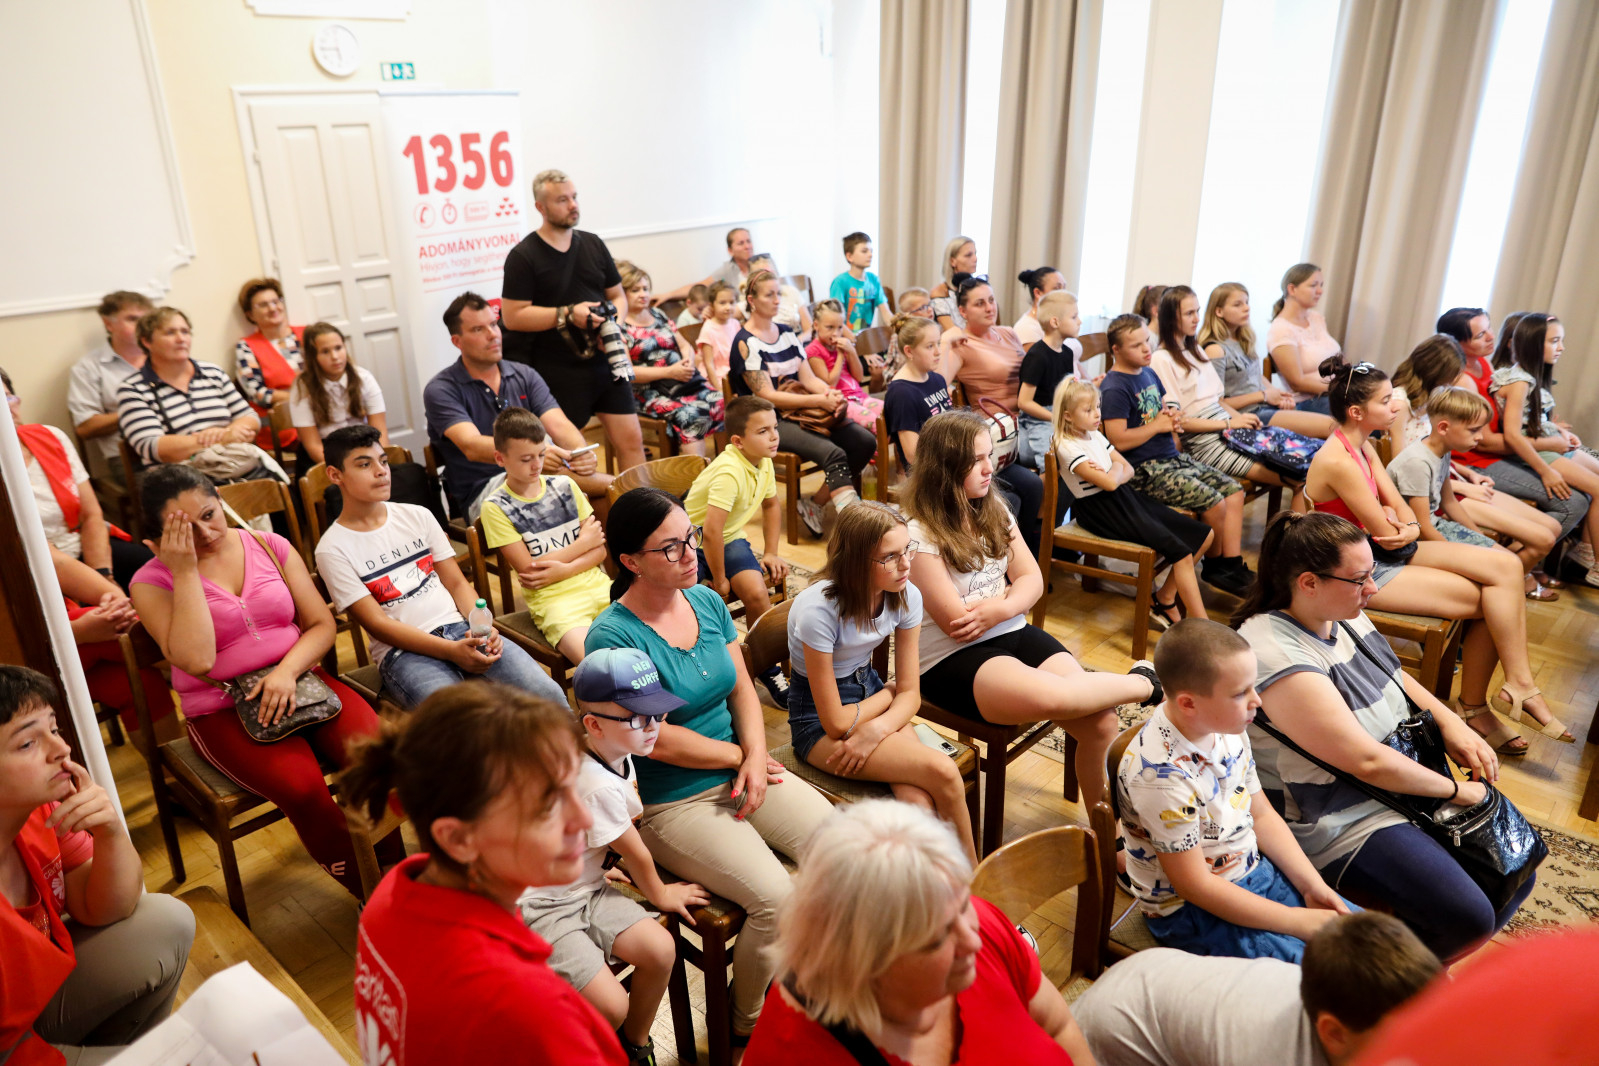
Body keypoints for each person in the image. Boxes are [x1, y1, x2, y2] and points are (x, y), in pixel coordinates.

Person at [586, 488, 834, 1050]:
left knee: (840, 846)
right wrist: (740, 758)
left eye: (690, 537)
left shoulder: (704, 601)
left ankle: (798, 974)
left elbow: (741, 687)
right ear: (631, 562)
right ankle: (743, 1022)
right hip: (673, 800)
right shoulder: (614, 635)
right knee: (776, 899)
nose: (690, 553)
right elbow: (652, 739)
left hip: (740, 766)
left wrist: (754, 755)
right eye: (670, 548)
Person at [1233, 511, 1534, 960]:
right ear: (1309, 582)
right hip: (1341, 813)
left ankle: (1407, 971)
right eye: (1360, 579)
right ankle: (1378, 980)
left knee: (1515, 869)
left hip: (1397, 781)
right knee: (1470, 917)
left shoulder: (1339, 611)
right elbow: (1365, 761)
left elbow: (1395, 675)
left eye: (1372, 573)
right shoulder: (1273, 651)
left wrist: (1451, 722)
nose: (1373, 588)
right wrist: (1457, 791)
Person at [129, 464, 396, 899]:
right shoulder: (151, 582)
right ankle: (372, 894)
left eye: (209, 515)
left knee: (379, 757)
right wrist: (185, 572)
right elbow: (197, 659)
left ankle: (399, 874)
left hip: (303, 681)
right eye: (186, 529)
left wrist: (286, 672)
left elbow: (321, 625)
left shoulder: (269, 545)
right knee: (303, 790)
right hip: (222, 709)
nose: (206, 533)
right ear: (158, 541)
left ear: (221, 502)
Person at [340, 682, 628, 1065]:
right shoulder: (531, 1007)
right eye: (547, 806)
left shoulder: (392, 894)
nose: (584, 819)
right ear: (458, 839)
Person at [1302, 357, 1574, 745]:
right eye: (1386, 401)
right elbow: (1387, 531)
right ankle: (1478, 707)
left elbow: (1400, 514)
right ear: (1357, 412)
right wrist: (1399, 523)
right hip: (1354, 570)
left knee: (1508, 569)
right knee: (1490, 599)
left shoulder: (1364, 447)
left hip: (1378, 550)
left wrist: (1404, 523)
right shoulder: (1338, 459)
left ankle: (1518, 684)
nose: (1396, 405)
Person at [906, 410, 1162, 809]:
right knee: (1060, 695)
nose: (990, 468)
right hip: (951, 658)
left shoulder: (992, 507)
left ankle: (1104, 830)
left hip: (1008, 629)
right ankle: (1145, 684)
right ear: (944, 469)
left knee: (1102, 722)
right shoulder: (918, 532)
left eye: (990, 455)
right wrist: (1010, 599)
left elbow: (1033, 580)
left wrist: (1000, 606)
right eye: (976, 460)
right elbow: (958, 623)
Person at [743, 799, 1095, 1066]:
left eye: (964, 903)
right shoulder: (793, 1051)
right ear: (866, 961)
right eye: (937, 939)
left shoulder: (975, 923)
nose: (973, 940)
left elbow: (1059, 1026)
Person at [1117, 619, 1351, 962]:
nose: (1257, 700)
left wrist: (1311, 885)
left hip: (1253, 871)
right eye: (1241, 693)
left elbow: (1261, 814)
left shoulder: (1227, 726)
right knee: (1329, 974)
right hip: (1191, 915)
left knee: (1365, 940)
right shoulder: (1162, 778)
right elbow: (1195, 886)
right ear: (1188, 703)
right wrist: (1297, 921)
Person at [520, 649, 709, 1066]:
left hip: (586, 886)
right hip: (542, 907)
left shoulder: (613, 751)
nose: (654, 727)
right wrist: (660, 894)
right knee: (612, 1006)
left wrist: (602, 862)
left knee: (660, 950)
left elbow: (603, 835)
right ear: (594, 724)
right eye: (639, 718)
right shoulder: (596, 781)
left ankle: (635, 1045)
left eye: (657, 714)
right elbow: (636, 852)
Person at [0, 666, 195, 1066]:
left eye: (54, 729)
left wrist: (110, 832)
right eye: (27, 743)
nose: (61, 749)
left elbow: (105, 907)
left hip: (30, 1004)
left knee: (166, 920)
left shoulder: (40, 813)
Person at [313, 424, 567, 708]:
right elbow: (378, 624)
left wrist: (483, 628)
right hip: (404, 653)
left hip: (462, 628)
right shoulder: (332, 549)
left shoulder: (418, 516)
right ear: (335, 475)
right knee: (462, 718)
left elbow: (457, 584)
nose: (381, 471)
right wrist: (450, 650)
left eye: (383, 461)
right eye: (364, 464)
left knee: (548, 696)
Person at [788, 502, 976, 860]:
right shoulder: (818, 612)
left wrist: (877, 728)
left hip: (870, 698)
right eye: (890, 556)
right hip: (815, 721)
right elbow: (836, 721)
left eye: (907, 549)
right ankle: (973, 884)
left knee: (919, 803)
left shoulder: (906, 594)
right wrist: (890, 694)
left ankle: (941, 886)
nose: (906, 564)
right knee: (943, 771)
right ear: (856, 561)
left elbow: (911, 696)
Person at [1072, 912, 1441, 1066]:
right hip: (1103, 1042)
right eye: (1404, 1040)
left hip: (1152, 984)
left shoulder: (1337, 998)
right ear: (1334, 1033)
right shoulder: (1268, 1055)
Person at [497, 168, 646, 473]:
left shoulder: (593, 244)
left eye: (574, 197)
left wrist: (612, 327)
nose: (573, 205)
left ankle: (643, 504)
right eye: (562, 200)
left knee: (632, 441)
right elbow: (512, 317)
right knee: (572, 456)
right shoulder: (523, 256)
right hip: (556, 368)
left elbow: (618, 296)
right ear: (541, 207)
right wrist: (567, 313)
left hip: (604, 361)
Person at [1099, 313, 1252, 597]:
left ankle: (1230, 563)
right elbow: (1117, 440)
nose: (1147, 348)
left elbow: (1159, 411)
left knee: (1234, 491)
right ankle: (1215, 567)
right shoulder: (1115, 387)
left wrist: (1171, 416)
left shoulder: (1148, 373)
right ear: (1116, 350)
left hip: (1170, 458)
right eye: (1136, 345)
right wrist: (1157, 425)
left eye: (1147, 340)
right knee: (1215, 502)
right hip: (1144, 470)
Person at [423, 290, 609, 515]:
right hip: (484, 493)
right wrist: (535, 454)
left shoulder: (524, 374)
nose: (493, 335)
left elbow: (560, 425)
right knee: (546, 471)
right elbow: (471, 446)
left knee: (602, 500)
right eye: (478, 329)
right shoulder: (441, 389)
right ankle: (625, 487)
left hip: (539, 475)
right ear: (457, 341)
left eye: (494, 324)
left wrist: (580, 454)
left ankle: (621, 493)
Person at [1052, 379, 1211, 627]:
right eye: (1089, 410)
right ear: (1068, 416)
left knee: (1205, 535)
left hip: (1125, 498)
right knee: (1181, 552)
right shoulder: (1066, 446)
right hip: (1101, 510)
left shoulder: (1094, 435)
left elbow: (1127, 469)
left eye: (1098, 407)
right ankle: (1204, 627)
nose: (1097, 414)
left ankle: (1164, 598)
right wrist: (1114, 471)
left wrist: (1112, 471)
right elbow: (1109, 484)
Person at [1388, 386, 1555, 619]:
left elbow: (1450, 503)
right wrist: (1464, 553)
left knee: (1511, 562)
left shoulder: (1441, 450)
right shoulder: (1417, 462)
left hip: (1435, 527)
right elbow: (1422, 526)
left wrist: (1479, 537)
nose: (1480, 437)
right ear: (1443, 427)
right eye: (1474, 430)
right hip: (1417, 538)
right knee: (1501, 569)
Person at [1441, 306, 1591, 558]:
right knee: (1573, 503)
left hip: (1502, 455)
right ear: (1457, 343)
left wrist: (1552, 429)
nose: (1492, 336)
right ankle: (1514, 561)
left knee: (1582, 492)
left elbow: (1511, 420)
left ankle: (1527, 559)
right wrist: (1547, 444)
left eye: (1489, 328)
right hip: (1475, 462)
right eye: (1480, 335)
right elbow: (1484, 442)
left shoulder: (1485, 365)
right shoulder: (1463, 380)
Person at [734, 269, 872, 537]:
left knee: (863, 441)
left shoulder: (787, 333)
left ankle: (813, 504)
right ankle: (857, 532)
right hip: (768, 420)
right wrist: (818, 399)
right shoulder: (745, 342)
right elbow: (767, 396)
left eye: (778, 294)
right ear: (751, 300)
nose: (777, 300)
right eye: (769, 295)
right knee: (834, 453)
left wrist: (828, 394)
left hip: (802, 411)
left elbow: (808, 378)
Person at [1150, 286, 1310, 510]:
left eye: (1197, 311)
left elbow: (1218, 401)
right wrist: (1229, 423)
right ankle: (1292, 533)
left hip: (1227, 429)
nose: (1197, 318)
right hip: (1205, 442)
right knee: (1298, 477)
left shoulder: (1195, 349)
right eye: (1189, 313)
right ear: (1170, 318)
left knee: (1305, 465)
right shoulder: (1161, 359)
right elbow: (1179, 422)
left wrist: (1243, 421)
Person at [478, 409, 613, 664]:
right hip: (555, 603)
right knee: (597, 666)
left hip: (600, 586)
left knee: (651, 646)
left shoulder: (566, 485)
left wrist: (563, 568)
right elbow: (531, 571)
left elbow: (600, 552)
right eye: (525, 459)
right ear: (500, 458)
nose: (536, 465)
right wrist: (583, 543)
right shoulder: (495, 507)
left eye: (541, 454)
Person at [683, 397, 790, 702]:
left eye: (775, 428)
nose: (773, 437)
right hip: (691, 542)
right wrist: (719, 579)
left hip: (728, 539)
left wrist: (771, 552)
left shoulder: (763, 461)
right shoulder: (729, 471)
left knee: (757, 594)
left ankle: (766, 668)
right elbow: (710, 531)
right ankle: (706, 671)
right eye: (763, 431)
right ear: (738, 441)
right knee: (691, 602)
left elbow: (771, 505)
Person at [4, 369, 150, 590]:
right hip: (32, 565)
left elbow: (91, 514)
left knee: (156, 573)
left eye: (8, 398)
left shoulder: (51, 437)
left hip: (81, 545)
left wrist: (102, 573)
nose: (6, 408)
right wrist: (103, 590)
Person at [936, 273, 1048, 555]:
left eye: (991, 300)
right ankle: (1016, 557)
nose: (989, 307)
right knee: (1047, 475)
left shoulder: (1008, 333)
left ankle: (1037, 552)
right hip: (997, 437)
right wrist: (945, 343)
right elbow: (937, 386)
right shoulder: (963, 344)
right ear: (962, 311)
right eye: (979, 303)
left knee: (1052, 473)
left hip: (1025, 424)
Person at [1491, 312, 1599, 588]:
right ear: (1533, 344)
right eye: (1554, 341)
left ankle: (1586, 552)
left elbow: (1535, 420)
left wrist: (1560, 432)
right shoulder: (1518, 382)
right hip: (1539, 454)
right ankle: (1595, 564)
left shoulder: (1529, 377)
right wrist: (1545, 471)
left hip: (1548, 445)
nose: (1561, 348)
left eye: (1561, 340)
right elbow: (1513, 435)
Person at [51, 545, 179, 743]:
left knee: (137, 680)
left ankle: (169, 764)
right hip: (25, 655)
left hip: (70, 644)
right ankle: (216, 671)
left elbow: (58, 562)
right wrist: (78, 632)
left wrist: (116, 602)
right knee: (116, 630)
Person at [115, 308, 266, 474]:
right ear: (146, 342)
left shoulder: (213, 373)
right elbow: (154, 447)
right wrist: (224, 437)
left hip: (239, 466)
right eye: (170, 333)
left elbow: (249, 417)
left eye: (185, 332)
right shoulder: (133, 389)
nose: (181, 339)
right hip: (181, 479)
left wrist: (229, 432)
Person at [1198, 283, 1332, 438]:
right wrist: (1263, 396)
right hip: (1249, 414)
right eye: (1237, 304)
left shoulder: (1243, 341)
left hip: (1266, 407)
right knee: (1331, 426)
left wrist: (1277, 395)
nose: (1246, 308)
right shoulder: (1215, 350)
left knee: (1337, 420)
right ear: (1219, 311)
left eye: (1247, 302)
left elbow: (1256, 376)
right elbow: (1216, 402)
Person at [618, 260, 723, 455]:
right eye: (635, 290)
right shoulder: (619, 325)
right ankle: (695, 472)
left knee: (722, 401)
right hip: (649, 393)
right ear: (622, 294)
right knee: (690, 415)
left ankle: (727, 467)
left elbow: (684, 344)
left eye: (646, 289)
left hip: (684, 383)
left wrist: (687, 360)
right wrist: (670, 372)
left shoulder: (658, 314)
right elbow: (629, 371)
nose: (643, 294)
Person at [67, 290, 154, 476]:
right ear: (108, 324)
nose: (142, 326)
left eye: (146, 320)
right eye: (132, 319)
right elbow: (85, 427)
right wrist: (137, 409)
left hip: (179, 445)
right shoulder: (88, 367)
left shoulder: (164, 357)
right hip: (131, 458)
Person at [287, 322, 387, 464]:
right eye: (325, 351)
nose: (335, 356)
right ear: (313, 356)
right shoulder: (302, 387)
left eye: (338, 348)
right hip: (324, 455)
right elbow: (313, 445)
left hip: (364, 447)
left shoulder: (364, 378)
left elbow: (380, 430)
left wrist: (379, 463)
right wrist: (345, 471)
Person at [233, 277, 304, 453]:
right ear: (250, 315)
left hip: (324, 417)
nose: (273, 308)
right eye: (263, 305)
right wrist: (302, 398)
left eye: (276, 301)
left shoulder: (307, 334)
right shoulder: (247, 347)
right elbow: (257, 393)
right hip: (286, 429)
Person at [1016, 289, 1081, 472]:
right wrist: (1055, 417)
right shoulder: (1037, 356)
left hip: (1059, 411)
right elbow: (1024, 402)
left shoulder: (1067, 353)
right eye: (1074, 317)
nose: (1080, 321)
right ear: (1055, 322)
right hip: (1037, 418)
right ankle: (1047, 487)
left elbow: (1066, 390)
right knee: (1051, 459)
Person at [1266, 264, 1340, 412]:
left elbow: (1337, 358)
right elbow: (1297, 382)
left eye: (1321, 285)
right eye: (1313, 285)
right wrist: (1341, 389)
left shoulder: (1316, 318)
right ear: (1292, 289)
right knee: (1369, 412)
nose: (1320, 291)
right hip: (1308, 401)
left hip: (1332, 393)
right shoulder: (1281, 329)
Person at [883, 314, 952, 469]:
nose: (938, 352)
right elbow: (913, 455)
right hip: (929, 471)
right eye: (930, 346)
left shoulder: (937, 379)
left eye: (938, 343)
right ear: (909, 351)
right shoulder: (901, 394)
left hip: (949, 457)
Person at [806, 299, 881, 429]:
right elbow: (830, 384)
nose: (836, 333)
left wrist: (851, 351)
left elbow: (858, 377)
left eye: (840, 327)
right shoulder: (813, 350)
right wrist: (840, 356)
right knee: (875, 423)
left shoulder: (843, 345)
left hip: (860, 396)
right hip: (843, 403)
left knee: (891, 414)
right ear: (816, 325)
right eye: (830, 327)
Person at [655, 226, 756, 306]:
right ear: (730, 250)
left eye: (748, 241)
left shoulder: (761, 263)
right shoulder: (727, 271)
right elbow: (699, 287)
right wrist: (668, 295)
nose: (747, 246)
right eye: (741, 243)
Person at [828, 232, 886, 333]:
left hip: (865, 337)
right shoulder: (840, 282)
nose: (870, 255)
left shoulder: (874, 280)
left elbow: (885, 311)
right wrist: (853, 339)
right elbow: (836, 319)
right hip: (845, 337)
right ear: (849, 256)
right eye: (864, 251)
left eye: (871, 251)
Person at [747, 254, 812, 341]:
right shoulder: (751, 301)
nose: (777, 301)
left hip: (797, 340)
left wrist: (798, 341)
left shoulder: (791, 291)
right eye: (763, 276)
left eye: (770, 274)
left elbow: (810, 329)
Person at [694, 281, 742, 395]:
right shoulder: (708, 329)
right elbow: (709, 364)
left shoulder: (735, 323)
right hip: (716, 376)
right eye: (722, 303)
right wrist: (719, 389)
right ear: (711, 305)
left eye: (732, 302)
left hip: (733, 372)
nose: (728, 307)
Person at [928, 236, 978, 331]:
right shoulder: (940, 292)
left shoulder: (978, 289)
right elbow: (951, 330)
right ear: (952, 261)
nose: (975, 259)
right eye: (968, 255)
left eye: (975, 254)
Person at [1012, 265, 1069, 348]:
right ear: (1038, 293)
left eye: (1064, 288)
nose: (1064, 294)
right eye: (1057, 289)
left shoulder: (1059, 321)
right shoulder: (1026, 328)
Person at [882, 286, 933, 376]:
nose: (930, 309)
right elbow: (903, 367)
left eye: (930, 304)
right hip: (902, 377)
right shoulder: (902, 336)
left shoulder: (933, 330)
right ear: (909, 314)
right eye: (923, 307)